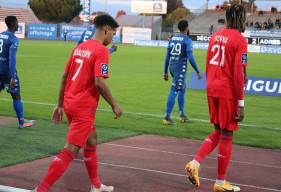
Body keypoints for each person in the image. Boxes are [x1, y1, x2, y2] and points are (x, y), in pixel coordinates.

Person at [32, 14, 122, 192]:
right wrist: (114, 105)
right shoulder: (102, 51)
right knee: (70, 150)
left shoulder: (80, 47)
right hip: (83, 107)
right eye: (113, 32)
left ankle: (96, 185)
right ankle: (41, 189)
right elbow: (99, 82)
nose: (113, 37)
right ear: (105, 29)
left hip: (70, 103)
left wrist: (59, 104)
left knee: (91, 139)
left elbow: (65, 76)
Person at [185, 4, 248, 192]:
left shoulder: (216, 35)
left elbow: (212, 63)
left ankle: (195, 163)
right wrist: (241, 104)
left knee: (218, 131)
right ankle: (220, 183)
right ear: (241, 19)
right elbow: (238, 74)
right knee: (227, 135)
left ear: (227, 18)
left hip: (212, 87)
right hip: (227, 91)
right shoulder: (240, 39)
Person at [163, 20, 202, 125]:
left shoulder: (173, 39)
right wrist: (198, 70)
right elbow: (190, 57)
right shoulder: (187, 40)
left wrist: (165, 72)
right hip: (180, 69)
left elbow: (167, 56)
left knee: (182, 88)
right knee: (174, 89)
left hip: (172, 67)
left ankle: (182, 115)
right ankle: (167, 117)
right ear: (186, 28)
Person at [0, 16, 34, 129]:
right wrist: (13, 76)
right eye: (17, 23)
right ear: (14, 25)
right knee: (16, 96)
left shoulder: (0, 35)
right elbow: (12, 59)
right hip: (7, 71)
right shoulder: (14, 39)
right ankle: (21, 123)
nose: (18, 24)